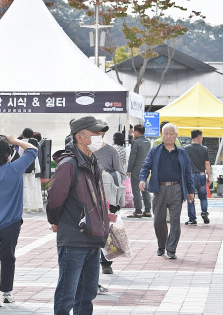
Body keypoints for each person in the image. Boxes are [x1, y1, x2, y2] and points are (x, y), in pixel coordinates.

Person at [47, 116, 110, 315]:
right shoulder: (69, 164)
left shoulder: (92, 161)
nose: (100, 137)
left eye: (101, 133)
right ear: (80, 137)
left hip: (93, 237)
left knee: (87, 294)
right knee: (67, 294)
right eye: (95, 133)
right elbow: (55, 199)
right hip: (74, 237)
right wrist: (55, 221)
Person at [0, 135, 37, 308]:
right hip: (11, 223)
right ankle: (7, 292)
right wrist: (14, 141)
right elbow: (33, 150)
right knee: (8, 257)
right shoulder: (15, 169)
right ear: (8, 155)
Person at [139, 123, 195, 260]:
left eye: (171, 134)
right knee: (158, 220)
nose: (168, 136)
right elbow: (146, 166)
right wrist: (142, 179)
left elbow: (188, 173)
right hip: (159, 189)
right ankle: (161, 245)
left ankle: (171, 249)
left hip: (177, 189)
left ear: (176, 135)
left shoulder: (182, 153)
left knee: (175, 221)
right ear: (161, 135)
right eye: (166, 134)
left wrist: (190, 191)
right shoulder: (155, 150)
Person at [93, 121, 126, 275]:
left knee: (107, 229)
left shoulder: (111, 151)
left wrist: (107, 176)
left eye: (101, 132)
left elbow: (122, 174)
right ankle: (91, 262)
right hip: (88, 196)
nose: (98, 134)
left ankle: (106, 262)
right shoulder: (83, 149)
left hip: (108, 196)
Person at [184, 130, 211, 226]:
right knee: (203, 197)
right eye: (202, 136)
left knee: (190, 197)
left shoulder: (185, 149)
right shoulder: (204, 149)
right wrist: (209, 176)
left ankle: (192, 219)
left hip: (190, 176)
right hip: (201, 175)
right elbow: (207, 163)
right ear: (199, 137)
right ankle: (204, 212)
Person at [127, 124, 152, 218]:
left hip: (136, 168)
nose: (133, 133)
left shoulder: (136, 142)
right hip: (145, 168)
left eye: (134, 131)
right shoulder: (148, 141)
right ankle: (148, 210)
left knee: (136, 190)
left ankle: (138, 211)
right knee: (145, 189)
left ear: (137, 132)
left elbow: (132, 157)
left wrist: (129, 169)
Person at [20, 128, 42, 212]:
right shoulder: (34, 142)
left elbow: (20, 155)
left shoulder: (22, 142)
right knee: (32, 187)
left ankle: (26, 206)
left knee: (25, 187)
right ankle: (34, 205)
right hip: (32, 167)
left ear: (23, 134)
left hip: (24, 167)